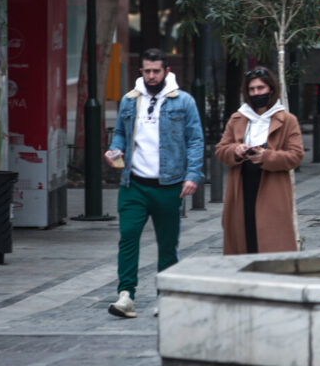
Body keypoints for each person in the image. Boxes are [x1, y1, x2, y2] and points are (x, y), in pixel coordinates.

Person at [104, 49, 204, 319]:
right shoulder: (129, 100)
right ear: (141, 71)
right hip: (133, 183)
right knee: (128, 237)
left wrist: (193, 175)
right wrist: (114, 151)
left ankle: (166, 296)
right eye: (146, 71)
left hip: (168, 184)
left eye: (156, 71)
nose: (151, 76)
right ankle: (126, 296)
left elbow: (195, 139)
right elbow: (121, 136)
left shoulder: (183, 102)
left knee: (168, 243)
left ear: (166, 71)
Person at [216, 66, 304, 255]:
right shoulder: (238, 118)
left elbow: (296, 155)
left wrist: (267, 156)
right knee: (243, 238)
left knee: (271, 240)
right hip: (241, 187)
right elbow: (221, 150)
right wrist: (236, 150)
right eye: (252, 89)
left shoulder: (287, 120)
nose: (256, 93)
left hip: (272, 188)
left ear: (271, 89)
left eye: (260, 88)